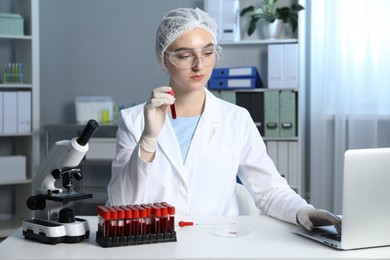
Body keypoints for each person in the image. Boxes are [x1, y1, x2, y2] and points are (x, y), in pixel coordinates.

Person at [107, 7, 341, 233]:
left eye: (207, 53)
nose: (199, 65)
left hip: (218, 242)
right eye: (185, 55)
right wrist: (148, 139)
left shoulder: (236, 119)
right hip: (155, 242)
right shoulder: (135, 120)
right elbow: (120, 204)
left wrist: (304, 212)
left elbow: (269, 190)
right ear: (164, 59)